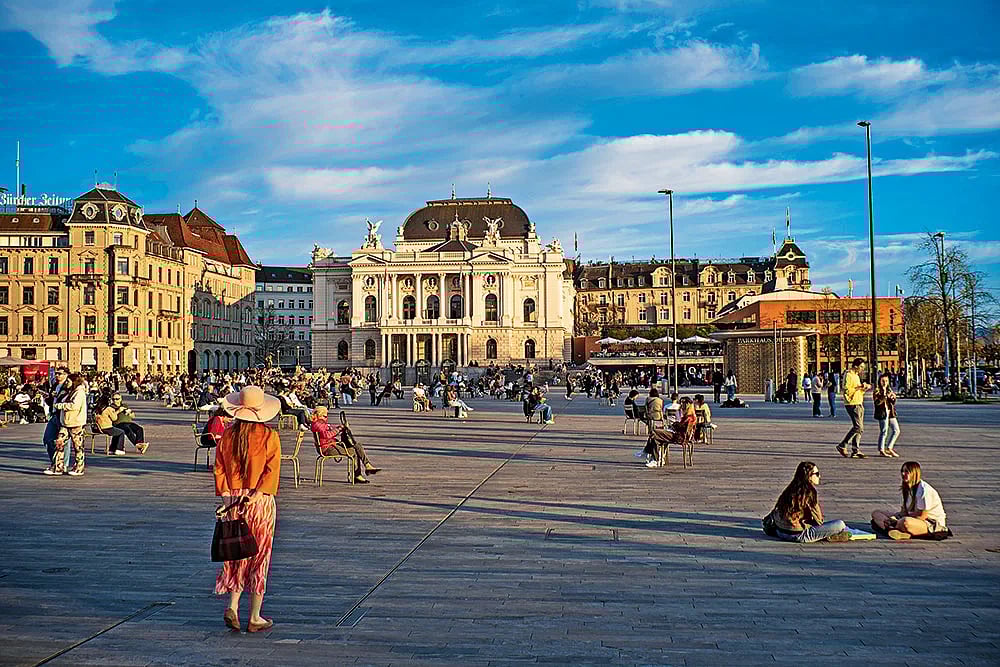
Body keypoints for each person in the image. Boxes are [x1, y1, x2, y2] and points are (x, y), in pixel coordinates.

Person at [214, 386, 282, 633]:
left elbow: (219, 468)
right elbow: (271, 470)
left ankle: (232, 605)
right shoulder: (268, 436)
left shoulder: (228, 436)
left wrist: (226, 497)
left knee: (237, 554)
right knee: (259, 555)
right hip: (259, 501)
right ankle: (255, 615)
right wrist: (257, 493)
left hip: (232, 501)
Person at [767, 462, 849, 542]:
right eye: (816, 474)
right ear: (809, 476)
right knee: (840, 524)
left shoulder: (789, 489)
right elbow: (819, 521)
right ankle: (828, 536)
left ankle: (827, 535)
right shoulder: (809, 492)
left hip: (780, 532)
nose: (819, 476)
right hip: (798, 535)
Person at [872, 462, 947, 540]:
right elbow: (904, 512)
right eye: (902, 471)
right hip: (909, 517)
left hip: (929, 523)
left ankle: (893, 528)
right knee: (876, 513)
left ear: (914, 473)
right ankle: (896, 530)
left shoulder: (924, 490)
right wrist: (893, 518)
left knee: (906, 522)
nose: (903, 474)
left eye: (907, 471)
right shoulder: (908, 488)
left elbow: (922, 516)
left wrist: (897, 521)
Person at [310, 406, 378, 483]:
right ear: (319, 414)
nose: (326, 418)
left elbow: (329, 427)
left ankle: (366, 467)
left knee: (357, 446)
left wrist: (339, 427)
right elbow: (327, 435)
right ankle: (360, 472)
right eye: (324, 416)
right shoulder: (318, 424)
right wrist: (338, 430)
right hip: (327, 448)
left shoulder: (319, 423)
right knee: (355, 450)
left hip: (330, 446)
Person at [51, 373, 88, 476]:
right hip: (66, 423)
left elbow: (75, 406)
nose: (67, 383)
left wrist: (61, 406)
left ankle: (79, 468)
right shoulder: (70, 392)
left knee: (78, 447)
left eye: (69, 381)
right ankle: (58, 466)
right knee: (59, 443)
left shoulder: (79, 392)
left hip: (76, 423)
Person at [643, 397, 696, 467]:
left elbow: (681, 427)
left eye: (683, 404)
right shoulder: (691, 416)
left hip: (679, 436)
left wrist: (674, 425)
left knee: (654, 431)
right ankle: (654, 459)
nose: (681, 406)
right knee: (655, 439)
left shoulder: (689, 417)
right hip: (679, 435)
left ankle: (647, 452)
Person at [837, 358, 871, 459]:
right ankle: (842, 444)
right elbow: (847, 390)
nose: (862, 369)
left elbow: (857, 391)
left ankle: (856, 450)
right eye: (861, 367)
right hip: (852, 403)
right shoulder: (848, 375)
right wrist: (860, 387)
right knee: (858, 427)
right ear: (856, 366)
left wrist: (863, 388)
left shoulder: (856, 376)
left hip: (859, 402)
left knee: (860, 428)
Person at [43, 367, 71, 474]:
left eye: (60, 374)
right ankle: (55, 462)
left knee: (63, 441)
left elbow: (70, 401)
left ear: (66, 375)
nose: (57, 376)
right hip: (54, 415)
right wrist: (49, 398)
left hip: (63, 415)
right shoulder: (55, 385)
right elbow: (52, 401)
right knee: (47, 439)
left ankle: (63, 464)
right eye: (56, 373)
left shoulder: (69, 386)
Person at [873, 373, 901, 457]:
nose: (884, 383)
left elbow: (892, 403)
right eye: (883, 381)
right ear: (879, 382)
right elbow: (877, 403)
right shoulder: (877, 391)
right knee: (884, 431)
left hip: (890, 413)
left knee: (896, 430)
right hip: (882, 413)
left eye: (886, 381)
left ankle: (889, 447)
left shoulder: (889, 390)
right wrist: (884, 395)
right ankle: (881, 450)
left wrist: (893, 398)